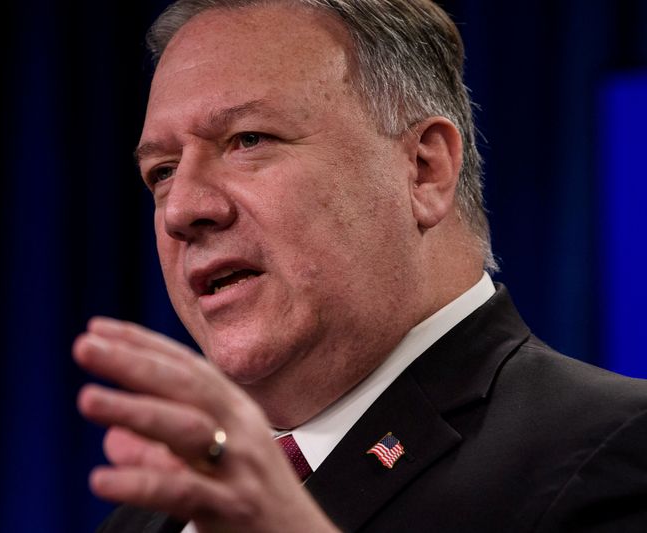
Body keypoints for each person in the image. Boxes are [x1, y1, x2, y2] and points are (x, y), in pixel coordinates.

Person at [73, 1, 647, 531]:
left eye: (248, 139)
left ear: (424, 170)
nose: (182, 210)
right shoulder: (146, 520)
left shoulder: (617, 451)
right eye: (162, 171)